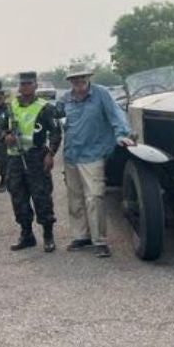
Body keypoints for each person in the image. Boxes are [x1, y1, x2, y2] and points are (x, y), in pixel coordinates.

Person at [59, 69, 134, 258]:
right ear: (70, 81)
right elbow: (55, 120)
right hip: (71, 154)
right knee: (75, 198)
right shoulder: (65, 99)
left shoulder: (101, 94)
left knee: (94, 197)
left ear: (88, 78)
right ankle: (81, 237)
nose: (79, 81)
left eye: (82, 77)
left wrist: (121, 135)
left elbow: (116, 115)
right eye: (74, 78)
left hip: (93, 153)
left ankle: (99, 240)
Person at [1, 71, 62, 253]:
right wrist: (5, 135)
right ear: (19, 87)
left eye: (29, 83)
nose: (25, 87)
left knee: (42, 196)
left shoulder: (45, 108)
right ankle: (26, 235)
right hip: (15, 158)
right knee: (18, 197)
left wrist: (51, 154)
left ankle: (48, 236)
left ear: (35, 85)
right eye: (23, 84)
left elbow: (56, 132)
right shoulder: (11, 107)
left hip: (37, 157)